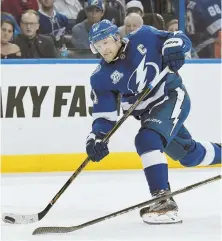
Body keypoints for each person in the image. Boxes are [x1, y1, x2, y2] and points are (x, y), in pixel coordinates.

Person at [85, 19, 221, 225]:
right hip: (149, 114)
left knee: (146, 139)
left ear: (116, 37)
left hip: (172, 97)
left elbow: (177, 39)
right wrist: (96, 138)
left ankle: (163, 201)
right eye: (97, 45)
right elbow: (105, 116)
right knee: (189, 155)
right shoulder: (100, 78)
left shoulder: (145, 36)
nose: (102, 49)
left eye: (105, 42)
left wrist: (175, 49)